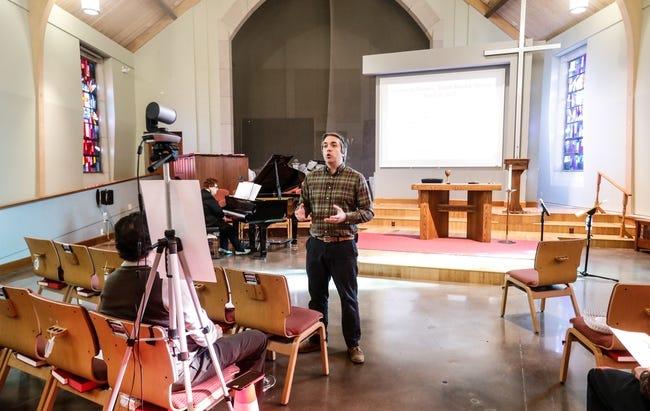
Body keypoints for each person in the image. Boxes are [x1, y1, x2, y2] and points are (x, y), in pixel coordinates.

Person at [99, 212, 273, 393]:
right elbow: (204, 337)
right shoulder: (168, 282)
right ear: (155, 241)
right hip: (177, 374)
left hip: (125, 368)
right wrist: (216, 332)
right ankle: (248, 396)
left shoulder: (110, 282)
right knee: (257, 338)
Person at [295, 132, 374, 364]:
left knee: (348, 297)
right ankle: (318, 339)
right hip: (317, 245)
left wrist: (346, 217)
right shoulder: (312, 178)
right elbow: (304, 205)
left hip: (343, 247)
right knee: (316, 297)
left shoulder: (355, 178)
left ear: (343, 151)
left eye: (333, 145)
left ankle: (353, 344)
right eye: (324, 145)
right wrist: (300, 211)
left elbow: (368, 212)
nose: (327, 149)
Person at [201, 178, 249, 255]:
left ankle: (223, 248)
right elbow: (218, 211)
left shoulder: (202, 193)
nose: (217, 189)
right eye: (216, 187)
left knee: (224, 226)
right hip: (209, 221)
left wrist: (222, 216)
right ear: (210, 187)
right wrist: (223, 216)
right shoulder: (208, 196)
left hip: (205, 219)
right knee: (230, 228)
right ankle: (239, 249)